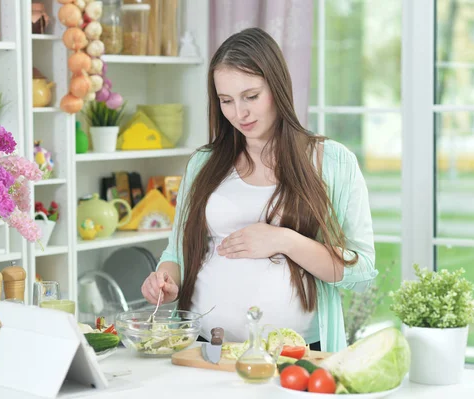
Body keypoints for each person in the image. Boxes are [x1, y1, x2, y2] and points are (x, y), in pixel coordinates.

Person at [140, 27, 377, 352]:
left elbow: (360, 270)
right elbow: (175, 254)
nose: (240, 113)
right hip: (207, 350)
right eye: (226, 100)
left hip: (298, 355)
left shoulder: (332, 162)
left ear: (277, 87)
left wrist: (284, 240)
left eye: (251, 96)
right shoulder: (203, 164)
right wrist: (165, 280)